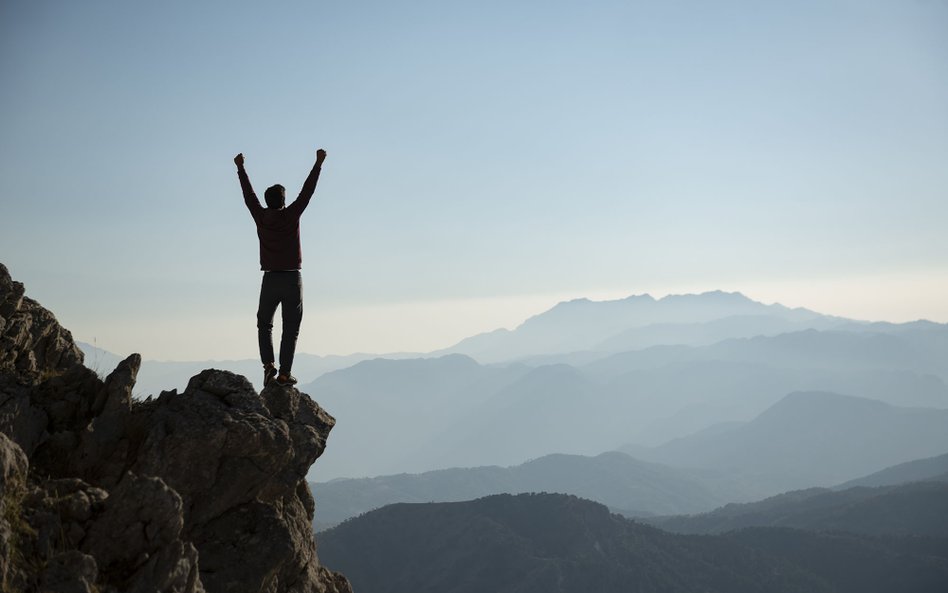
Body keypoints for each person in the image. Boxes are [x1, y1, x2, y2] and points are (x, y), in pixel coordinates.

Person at [234, 149, 327, 387]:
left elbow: (248, 195)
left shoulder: (261, 216)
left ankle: (268, 367)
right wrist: (318, 164)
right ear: (284, 201)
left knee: (264, 324)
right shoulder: (291, 215)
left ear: (268, 202)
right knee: (291, 328)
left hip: (270, 279)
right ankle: (285, 374)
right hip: (292, 279)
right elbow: (308, 192)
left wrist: (241, 169)